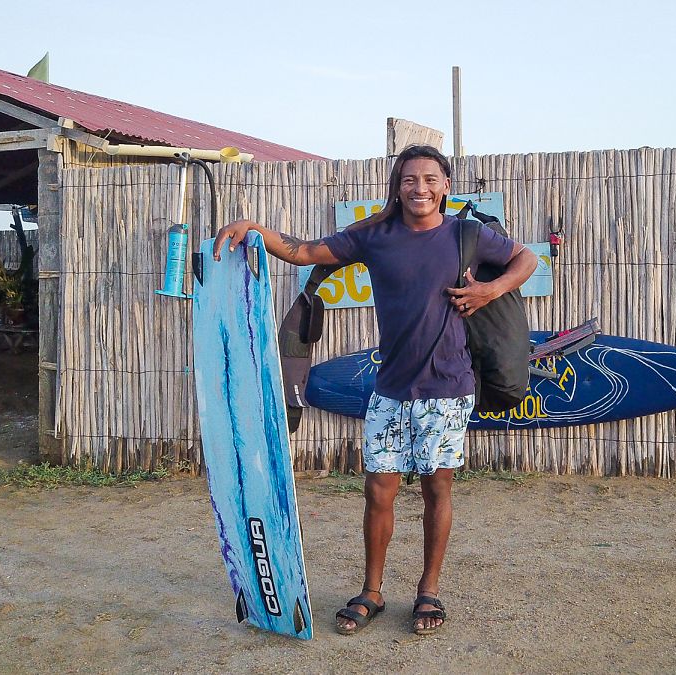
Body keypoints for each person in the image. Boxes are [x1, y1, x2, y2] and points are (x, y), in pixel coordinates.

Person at [213, 145, 538, 636]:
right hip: (391, 390)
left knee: (437, 487)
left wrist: (490, 290)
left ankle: (428, 591)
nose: (420, 188)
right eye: (410, 179)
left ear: (446, 187)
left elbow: (525, 256)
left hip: (447, 388)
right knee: (378, 490)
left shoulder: (465, 235)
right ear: (397, 185)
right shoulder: (376, 235)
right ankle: (372, 591)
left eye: (431, 179)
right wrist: (254, 228)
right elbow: (306, 251)